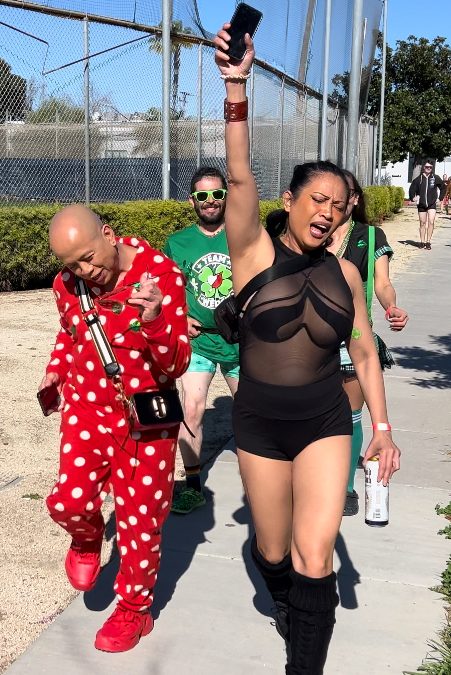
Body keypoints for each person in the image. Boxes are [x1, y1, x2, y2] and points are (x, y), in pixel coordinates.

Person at [214, 25, 401, 675]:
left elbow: (365, 353)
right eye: (317, 199)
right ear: (289, 201)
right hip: (261, 422)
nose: (327, 212)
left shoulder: (345, 274)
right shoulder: (251, 252)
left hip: (324, 419)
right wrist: (236, 86)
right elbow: (238, 174)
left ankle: (304, 662)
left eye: (339, 206)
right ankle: (286, 602)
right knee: (273, 552)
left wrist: (382, 429)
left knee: (314, 555)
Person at [40, 204, 190, 652]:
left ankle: (134, 610)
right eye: (73, 265)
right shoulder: (67, 285)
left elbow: (177, 363)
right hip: (86, 410)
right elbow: (69, 333)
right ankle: (86, 538)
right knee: (68, 501)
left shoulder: (160, 275)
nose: (86, 271)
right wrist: (55, 371)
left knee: (140, 521)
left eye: (89, 257)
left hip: (145, 419)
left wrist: (155, 319)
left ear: (108, 234)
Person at [326, 171, 408, 515]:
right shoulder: (312, 231)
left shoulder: (370, 236)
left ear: (354, 199)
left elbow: (382, 283)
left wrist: (391, 306)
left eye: (343, 195)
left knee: (350, 416)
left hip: (353, 342)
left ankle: (345, 488)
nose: (333, 203)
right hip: (309, 343)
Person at [163, 167, 239, 514]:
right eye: (203, 195)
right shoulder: (177, 242)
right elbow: (165, 289)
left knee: (252, 413)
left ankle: (264, 482)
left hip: (239, 342)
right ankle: (193, 487)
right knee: (191, 409)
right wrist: (179, 315)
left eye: (217, 194)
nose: (210, 201)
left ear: (226, 197)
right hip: (199, 344)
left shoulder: (243, 236)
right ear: (192, 200)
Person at [408, 161, 444, 249]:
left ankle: (428, 242)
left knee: (431, 221)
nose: (429, 168)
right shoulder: (418, 179)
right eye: (427, 167)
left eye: (430, 167)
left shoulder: (435, 178)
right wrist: (412, 198)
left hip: (432, 204)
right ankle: (422, 242)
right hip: (422, 204)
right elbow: (412, 189)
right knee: (422, 223)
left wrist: (440, 198)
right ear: (424, 167)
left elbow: (443, 187)